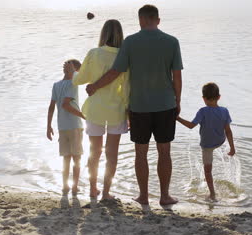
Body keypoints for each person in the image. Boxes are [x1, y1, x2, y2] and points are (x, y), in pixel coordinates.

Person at [85, 5, 182, 205]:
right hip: (165, 105)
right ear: (158, 20)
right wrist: (177, 101)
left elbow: (115, 72)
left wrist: (94, 86)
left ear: (140, 20)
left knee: (141, 153)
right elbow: (177, 76)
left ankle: (144, 196)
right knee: (165, 151)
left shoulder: (130, 42)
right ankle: (164, 196)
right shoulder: (172, 42)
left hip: (139, 106)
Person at [65, 19, 129, 200]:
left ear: (103, 34)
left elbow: (79, 80)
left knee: (95, 152)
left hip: (95, 110)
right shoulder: (124, 56)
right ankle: (106, 193)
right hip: (116, 110)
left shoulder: (94, 53)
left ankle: (93, 190)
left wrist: (74, 71)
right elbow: (126, 87)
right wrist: (127, 110)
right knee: (112, 155)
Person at [177, 82, 235, 201]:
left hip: (207, 145)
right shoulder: (224, 111)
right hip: (220, 140)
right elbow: (228, 131)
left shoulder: (202, 111)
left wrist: (177, 118)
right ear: (219, 97)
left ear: (203, 98)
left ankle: (212, 194)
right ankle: (213, 191)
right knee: (220, 136)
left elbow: (191, 126)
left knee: (207, 171)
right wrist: (232, 148)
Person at [47, 59, 85, 196]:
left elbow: (51, 107)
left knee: (66, 158)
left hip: (62, 126)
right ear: (75, 71)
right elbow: (66, 105)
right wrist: (83, 115)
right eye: (78, 72)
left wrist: (48, 126)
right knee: (77, 158)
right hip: (74, 125)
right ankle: (74, 187)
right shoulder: (73, 84)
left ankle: (65, 186)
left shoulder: (56, 85)